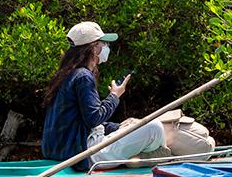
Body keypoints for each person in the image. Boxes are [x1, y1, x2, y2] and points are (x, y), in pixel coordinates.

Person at [40, 21, 166, 167]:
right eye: (104, 43)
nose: (107, 47)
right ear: (94, 48)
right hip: (82, 154)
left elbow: (81, 121)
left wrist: (117, 127)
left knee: (135, 125)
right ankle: (148, 159)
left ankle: (143, 157)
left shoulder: (64, 75)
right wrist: (114, 96)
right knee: (155, 127)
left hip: (62, 151)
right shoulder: (83, 77)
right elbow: (94, 118)